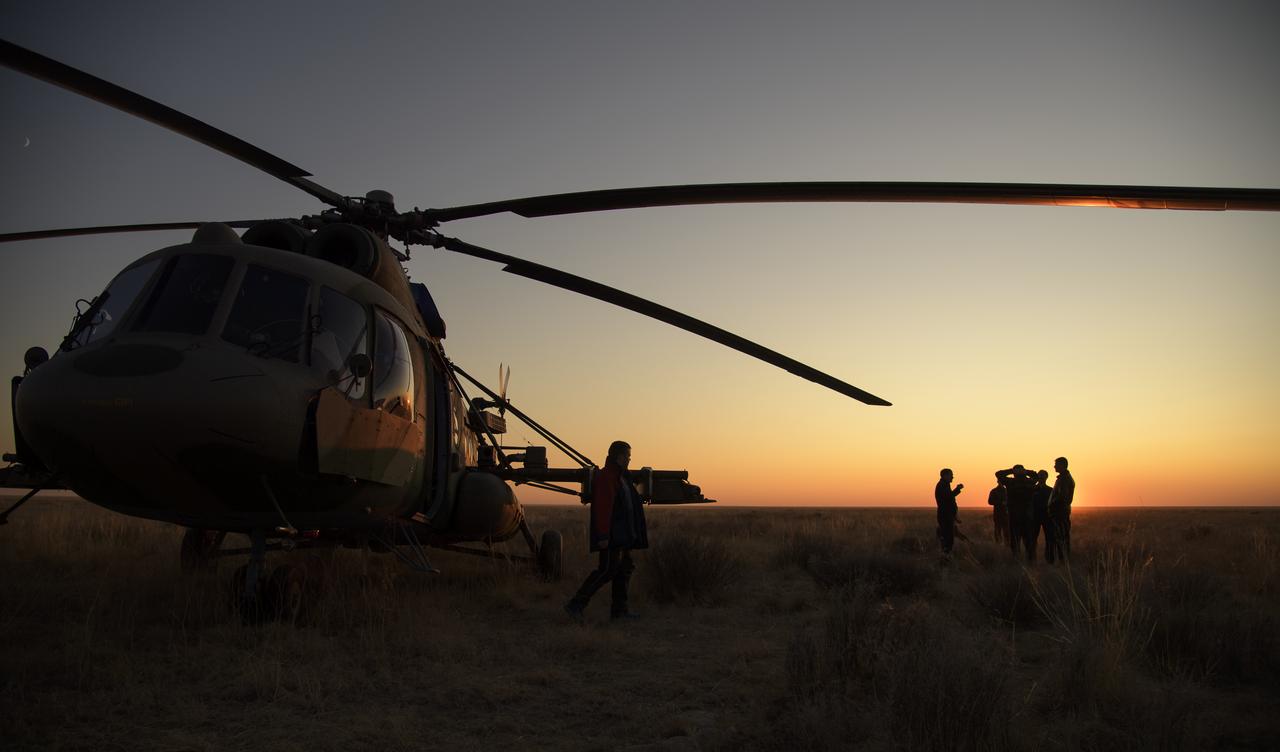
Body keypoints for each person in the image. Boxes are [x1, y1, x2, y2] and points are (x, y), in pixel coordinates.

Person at [565, 440, 648, 622]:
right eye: (627, 456)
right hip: (612, 535)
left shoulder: (621, 477)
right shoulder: (607, 477)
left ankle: (620, 612)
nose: (629, 459)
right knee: (607, 570)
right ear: (618, 457)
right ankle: (575, 605)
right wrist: (603, 535)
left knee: (624, 569)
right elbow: (603, 508)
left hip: (623, 535)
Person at [995, 465, 1036, 560]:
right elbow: (1036, 475)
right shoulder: (1030, 482)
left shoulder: (1010, 482)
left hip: (1015, 515)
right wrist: (1026, 471)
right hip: (1027, 516)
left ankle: (1017, 560)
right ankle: (1030, 561)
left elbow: (998, 474)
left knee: (1015, 540)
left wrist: (1012, 471)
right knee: (1028, 540)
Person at [1046, 456, 1075, 563]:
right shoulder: (1063, 478)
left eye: (1056, 464)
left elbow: (1062, 497)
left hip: (1060, 514)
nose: (1054, 466)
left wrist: (1052, 505)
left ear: (1062, 465)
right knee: (1059, 537)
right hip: (1058, 513)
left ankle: (1063, 562)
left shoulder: (1065, 479)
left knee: (1061, 538)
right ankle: (1062, 561)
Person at [934, 468, 963, 555]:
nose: (952, 477)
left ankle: (946, 557)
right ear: (945, 476)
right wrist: (957, 489)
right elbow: (948, 497)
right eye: (951, 475)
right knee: (948, 539)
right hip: (945, 516)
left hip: (947, 515)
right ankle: (945, 558)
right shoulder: (942, 485)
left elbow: (949, 501)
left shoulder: (945, 485)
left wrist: (955, 516)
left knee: (948, 538)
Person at [1028, 469, 1053, 562]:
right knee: (1032, 539)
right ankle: (1032, 560)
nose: (1041, 478)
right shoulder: (1032, 489)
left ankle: (1050, 560)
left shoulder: (1050, 490)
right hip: (1034, 517)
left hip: (1047, 517)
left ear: (1046, 477)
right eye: (1040, 476)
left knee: (1050, 539)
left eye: (1043, 476)